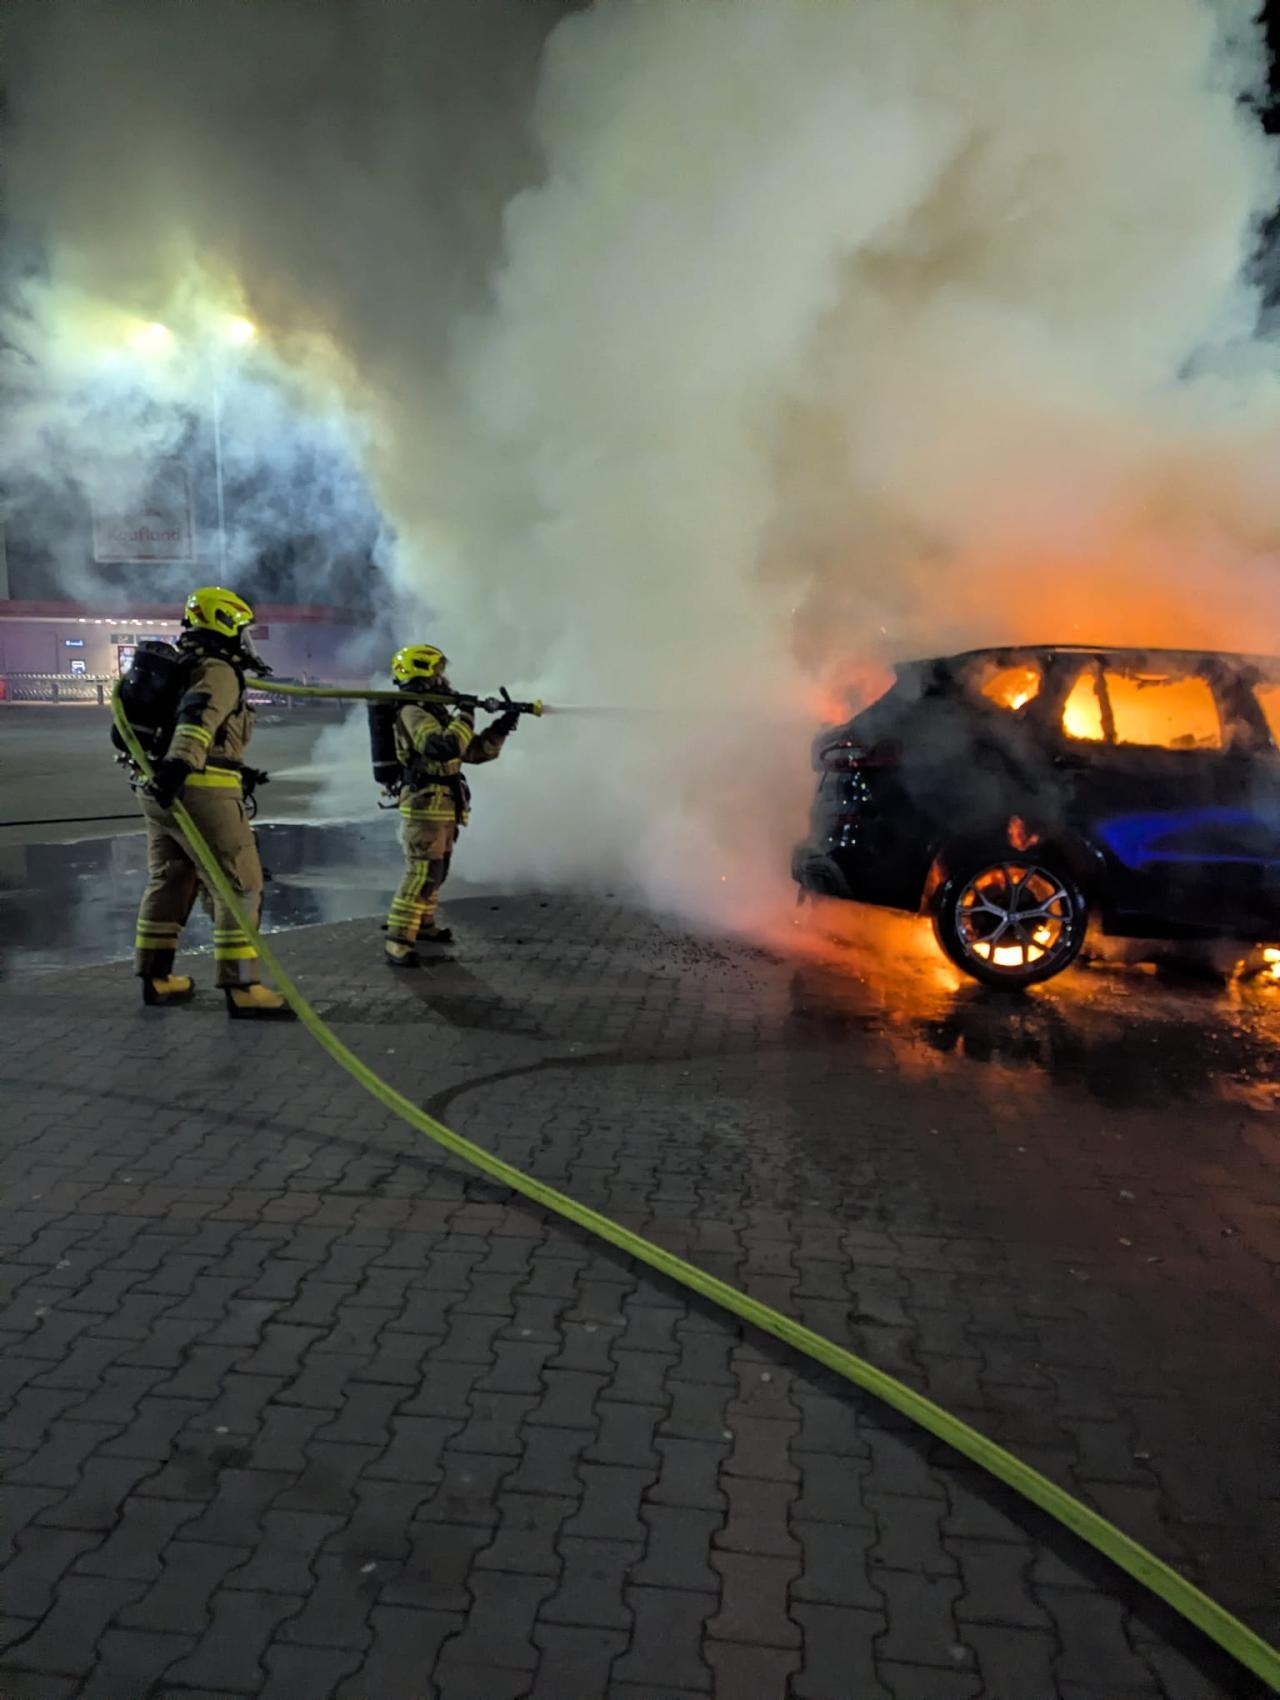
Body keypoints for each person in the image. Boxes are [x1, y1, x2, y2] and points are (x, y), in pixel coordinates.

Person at [132, 585, 294, 1020]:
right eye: (242, 629)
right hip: (199, 790)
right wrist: (182, 765)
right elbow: (198, 718)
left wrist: (236, 770)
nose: (246, 639)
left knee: (170, 880)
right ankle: (243, 987)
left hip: (158, 791)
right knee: (240, 884)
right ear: (224, 623)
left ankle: (157, 978)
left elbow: (193, 729)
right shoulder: (217, 669)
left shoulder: (181, 666)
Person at [383, 643, 518, 967]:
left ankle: (424, 925)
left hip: (444, 805)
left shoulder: (434, 711)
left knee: (437, 872)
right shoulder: (412, 711)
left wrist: (502, 725)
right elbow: (443, 746)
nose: (443, 679)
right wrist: (467, 712)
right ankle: (398, 940)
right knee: (421, 872)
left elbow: (473, 751)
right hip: (424, 806)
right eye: (437, 673)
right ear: (420, 675)